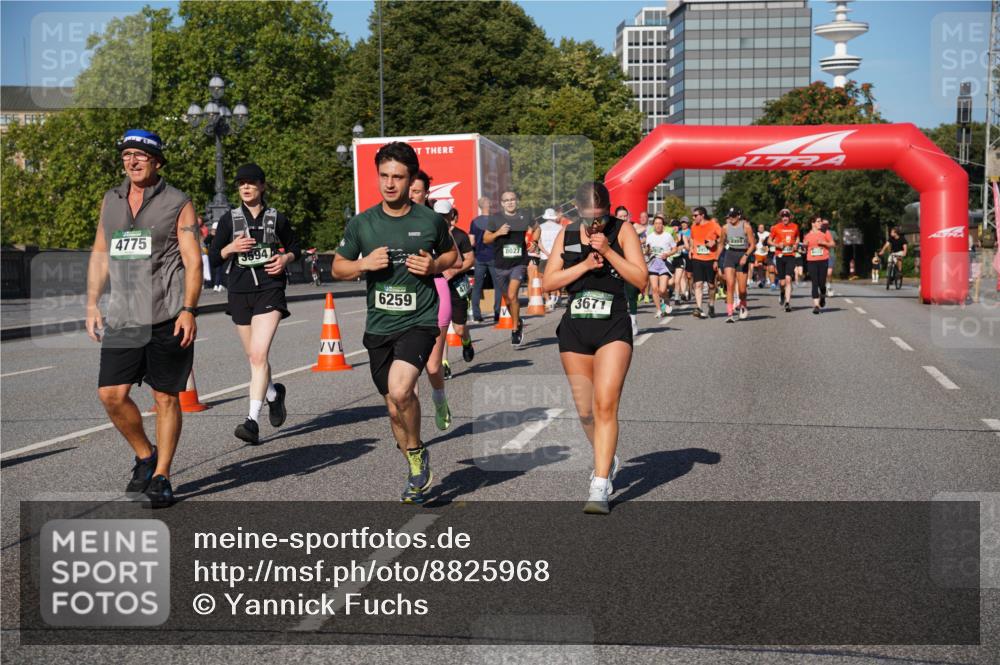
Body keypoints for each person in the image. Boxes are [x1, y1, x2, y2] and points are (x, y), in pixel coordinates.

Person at [332, 142, 457, 504]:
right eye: (384, 176)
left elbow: (453, 254)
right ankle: (415, 467)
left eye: (398, 177)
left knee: (402, 391)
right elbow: (338, 266)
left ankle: (416, 454)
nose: (390, 184)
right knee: (392, 407)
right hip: (379, 326)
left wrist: (434, 266)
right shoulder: (363, 223)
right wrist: (362, 265)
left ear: (411, 179)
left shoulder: (428, 220)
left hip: (419, 320)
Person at [86, 129, 202, 508]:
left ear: (156, 161)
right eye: (126, 156)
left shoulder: (177, 203)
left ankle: (162, 476)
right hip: (123, 316)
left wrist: (189, 309)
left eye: (139, 155)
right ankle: (145, 454)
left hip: (166, 313)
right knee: (111, 395)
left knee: (166, 398)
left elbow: (192, 259)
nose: (131, 162)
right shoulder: (112, 200)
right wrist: (91, 303)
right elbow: (101, 253)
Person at [542, 181, 647, 515]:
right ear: (578, 210)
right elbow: (548, 283)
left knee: (605, 405)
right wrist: (585, 265)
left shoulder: (623, 230)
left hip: (612, 326)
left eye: (601, 216)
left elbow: (641, 280)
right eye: (590, 217)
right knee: (585, 411)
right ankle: (608, 457)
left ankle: (599, 483)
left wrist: (609, 251)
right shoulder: (568, 234)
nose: (596, 223)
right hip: (575, 327)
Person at [209, 163, 298, 444]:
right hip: (239, 292)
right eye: (241, 183)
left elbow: (295, 247)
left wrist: (284, 259)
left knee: (259, 356)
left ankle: (251, 421)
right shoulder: (229, 220)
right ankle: (274, 394)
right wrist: (230, 248)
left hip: (270, 290)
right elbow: (213, 258)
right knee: (254, 358)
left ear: (262, 186)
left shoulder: (276, 218)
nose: (245, 187)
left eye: (251, 182)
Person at [409, 171, 453, 430]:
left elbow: (456, 259)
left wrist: (434, 264)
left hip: (436, 291)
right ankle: (411, 427)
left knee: (433, 365)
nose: (411, 195)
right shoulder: (393, 220)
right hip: (405, 297)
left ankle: (439, 399)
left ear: (426, 194)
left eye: (416, 191)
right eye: (409, 189)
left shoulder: (434, 222)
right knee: (408, 369)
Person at [484, 190, 536, 347]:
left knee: (513, 295)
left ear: (517, 201)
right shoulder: (496, 219)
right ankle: (517, 320)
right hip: (500, 265)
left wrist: (534, 240)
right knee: (507, 299)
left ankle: (514, 330)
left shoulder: (525, 216)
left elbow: (537, 228)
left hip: (518, 263)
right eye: (506, 200)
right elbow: (486, 239)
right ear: (502, 203)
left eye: (512, 199)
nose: (510, 202)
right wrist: (498, 233)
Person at [436, 200, 476, 376]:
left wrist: (453, 271)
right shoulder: (431, 235)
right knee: (440, 326)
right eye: (438, 216)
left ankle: (466, 342)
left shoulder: (460, 235)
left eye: (445, 215)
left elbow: (470, 259)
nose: (442, 219)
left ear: (451, 215)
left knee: (458, 328)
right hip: (437, 285)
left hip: (457, 285)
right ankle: (444, 363)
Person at [720, 207, 755, 322]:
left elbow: (752, 245)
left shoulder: (746, 227)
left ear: (739, 216)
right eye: (729, 216)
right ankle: (730, 314)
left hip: (742, 255)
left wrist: (745, 256)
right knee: (730, 285)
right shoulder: (725, 228)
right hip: (730, 255)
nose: (731, 218)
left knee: (742, 289)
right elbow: (721, 244)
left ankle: (743, 305)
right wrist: (716, 260)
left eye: (733, 216)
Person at [469, 197, 500, 323]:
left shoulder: (474, 222)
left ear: (480, 206)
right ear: (490, 205)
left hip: (479, 257)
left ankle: (477, 315)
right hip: (494, 256)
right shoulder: (496, 221)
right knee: (498, 286)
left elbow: (471, 241)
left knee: (477, 286)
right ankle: (497, 314)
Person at [689, 206, 722, 319]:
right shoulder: (693, 227)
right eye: (693, 216)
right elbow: (692, 238)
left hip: (711, 258)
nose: (693, 218)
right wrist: (691, 249)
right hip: (697, 258)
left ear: (702, 215)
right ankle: (699, 308)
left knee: (711, 286)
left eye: (695, 215)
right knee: (698, 284)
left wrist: (715, 241)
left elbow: (723, 236)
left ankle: (711, 304)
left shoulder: (713, 225)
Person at [644, 214, 677, 318]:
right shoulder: (650, 236)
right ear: (653, 225)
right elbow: (647, 251)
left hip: (664, 264)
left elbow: (675, 249)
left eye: (660, 223)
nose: (658, 225)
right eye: (656, 223)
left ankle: (666, 300)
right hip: (653, 263)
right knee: (654, 289)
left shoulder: (668, 236)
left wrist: (667, 254)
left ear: (663, 225)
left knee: (662, 290)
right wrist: (647, 251)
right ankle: (658, 310)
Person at [615, 206, 642, 334]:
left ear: (628, 217)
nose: (623, 218)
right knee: (617, 296)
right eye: (620, 216)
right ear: (616, 217)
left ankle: (633, 321)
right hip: (615, 267)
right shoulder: (611, 231)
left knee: (631, 295)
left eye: (625, 216)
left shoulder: (633, 229)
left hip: (630, 267)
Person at [769, 208, 800, 312]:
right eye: (783, 216)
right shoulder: (776, 227)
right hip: (780, 256)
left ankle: (787, 303)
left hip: (790, 255)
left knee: (788, 279)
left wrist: (796, 244)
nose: (785, 218)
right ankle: (782, 293)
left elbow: (797, 238)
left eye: (786, 216)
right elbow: (769, 241)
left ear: (789, 217)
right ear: (780, 217)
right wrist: (777, 244)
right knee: (782, 283)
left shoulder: (795, 227)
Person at [803, 214, 835, 313]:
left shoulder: (826, 232)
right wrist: (804, 246)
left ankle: (823, 296)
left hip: (823, 260)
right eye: (818, 221)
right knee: (814, 283)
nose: (821, 223)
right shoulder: (807, 235)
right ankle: (816, 306)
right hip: (811, 261)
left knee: (822, 284)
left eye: (821, 221)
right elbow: (804, 249)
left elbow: (833, 244)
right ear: (813, 223)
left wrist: (824, 243)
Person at [537, 207, 564, 310]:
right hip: (556, 257)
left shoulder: (540, 227)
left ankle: (548, 301)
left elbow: (538, 243)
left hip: (544, 257)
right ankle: (554, 298)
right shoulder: (559, 227)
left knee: (543, 280)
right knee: (555, 279)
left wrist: (546, 253)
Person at [753, 223, 770, 288]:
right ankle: (760, 279)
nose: (761, 229)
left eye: (762, 227)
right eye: (760, 227)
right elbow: (753, 241)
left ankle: (766, 279)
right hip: (758, 252)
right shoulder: (756, 234)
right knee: (759, 266)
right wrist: (755, 246)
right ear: (758, 228)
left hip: (765, 252)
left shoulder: (767, 233)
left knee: (766, 267)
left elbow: (771, 240)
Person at [823, 218, 837, 297]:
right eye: (823, 224)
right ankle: (823, 287)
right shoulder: (818, 232)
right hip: (821, 256)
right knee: (823, 274)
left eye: (826, 224)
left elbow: (837, 242)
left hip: (830, 255)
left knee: (829, 273)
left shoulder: (833, 233)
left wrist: (834, 246)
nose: (825, 225)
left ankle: (829, 287)